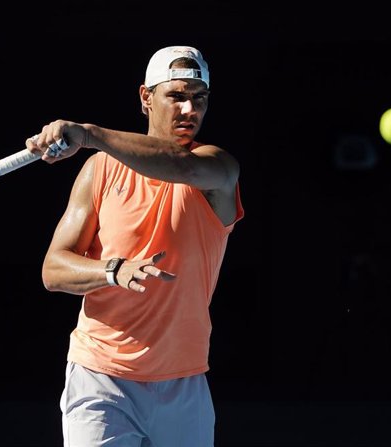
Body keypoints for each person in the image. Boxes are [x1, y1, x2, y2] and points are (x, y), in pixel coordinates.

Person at [27, 45, 244, 446]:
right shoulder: (100, 170)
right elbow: (53, 270)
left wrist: (90, 134)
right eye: (176, 96)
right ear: (146, 98)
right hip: (100, 380)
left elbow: (183, 165)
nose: (189, 110)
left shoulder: (218, 168)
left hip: (184, 382)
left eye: (199, 99)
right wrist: (112, 269)